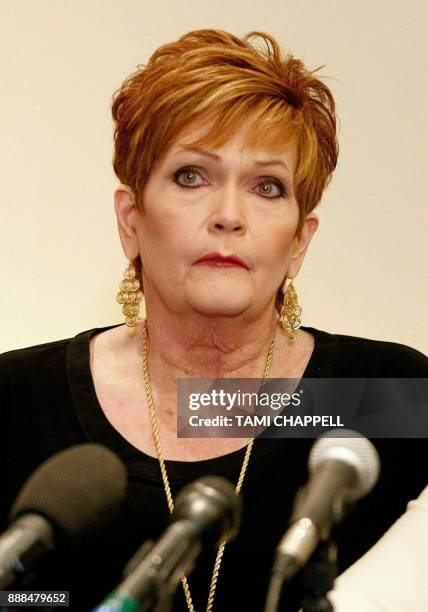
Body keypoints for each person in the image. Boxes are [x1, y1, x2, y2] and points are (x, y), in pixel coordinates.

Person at [0, 29, 427, 612]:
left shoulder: (391, 397)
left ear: (300, 240)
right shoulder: (17, 401)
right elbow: (24, 598)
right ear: (131, 218)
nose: (229, 216)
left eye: (267, 187)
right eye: (192, 176)